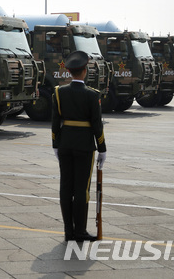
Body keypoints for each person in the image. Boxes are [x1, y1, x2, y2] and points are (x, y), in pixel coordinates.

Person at [51, 51, 107, 242]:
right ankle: (80, 231)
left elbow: (55, 122)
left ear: (69, 72)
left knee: (66, 188)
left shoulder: (59, 92)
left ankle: (68, 231)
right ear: (84, 71)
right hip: (84, 146)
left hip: (65, 144)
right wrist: (102, 148)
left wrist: (55, 144)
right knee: (82, 189)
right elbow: (97, 125)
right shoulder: (93, 95)